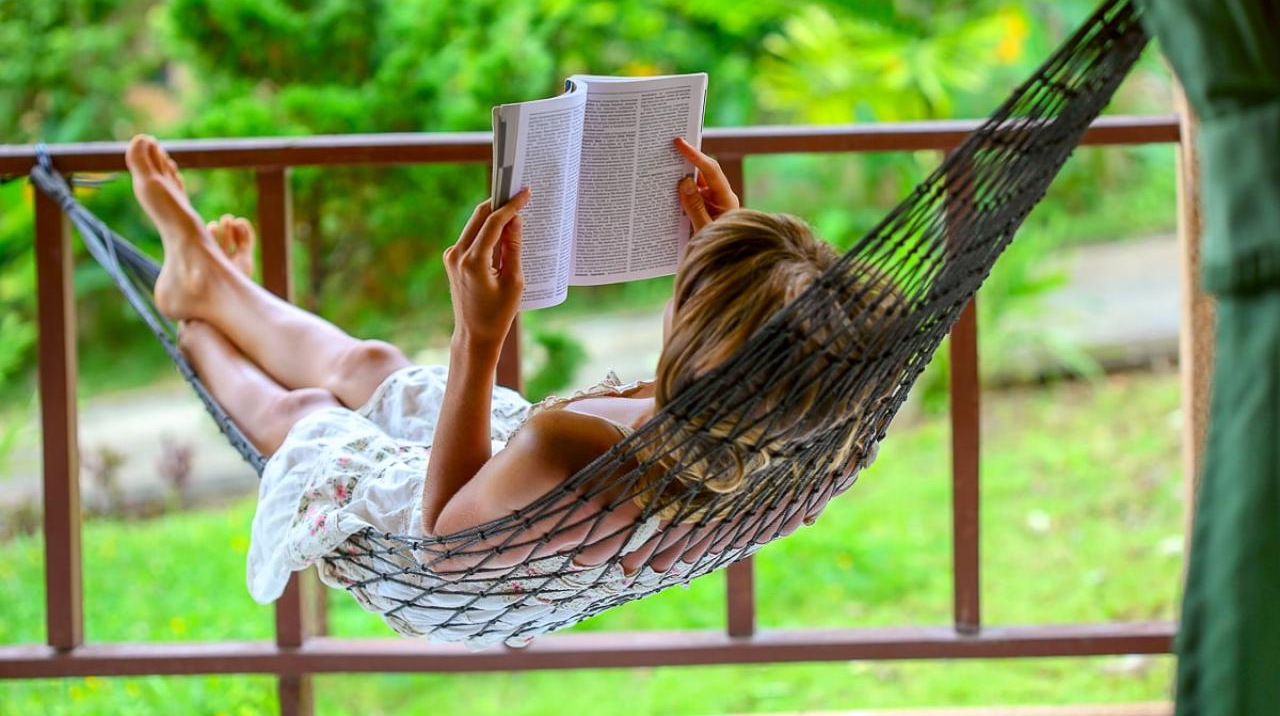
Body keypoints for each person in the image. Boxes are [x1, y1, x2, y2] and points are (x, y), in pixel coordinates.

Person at [124, 133, 880, 648]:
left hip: (437, 539)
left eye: (689, 289)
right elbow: (768, 350)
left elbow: (446, 536)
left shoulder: (573, 444)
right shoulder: (784, 419)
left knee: (312, 413)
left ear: (701, 339)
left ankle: (196, 326)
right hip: (519, 492)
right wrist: (729, 262)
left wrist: (476, 338)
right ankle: (215, 286)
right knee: (372, 366)